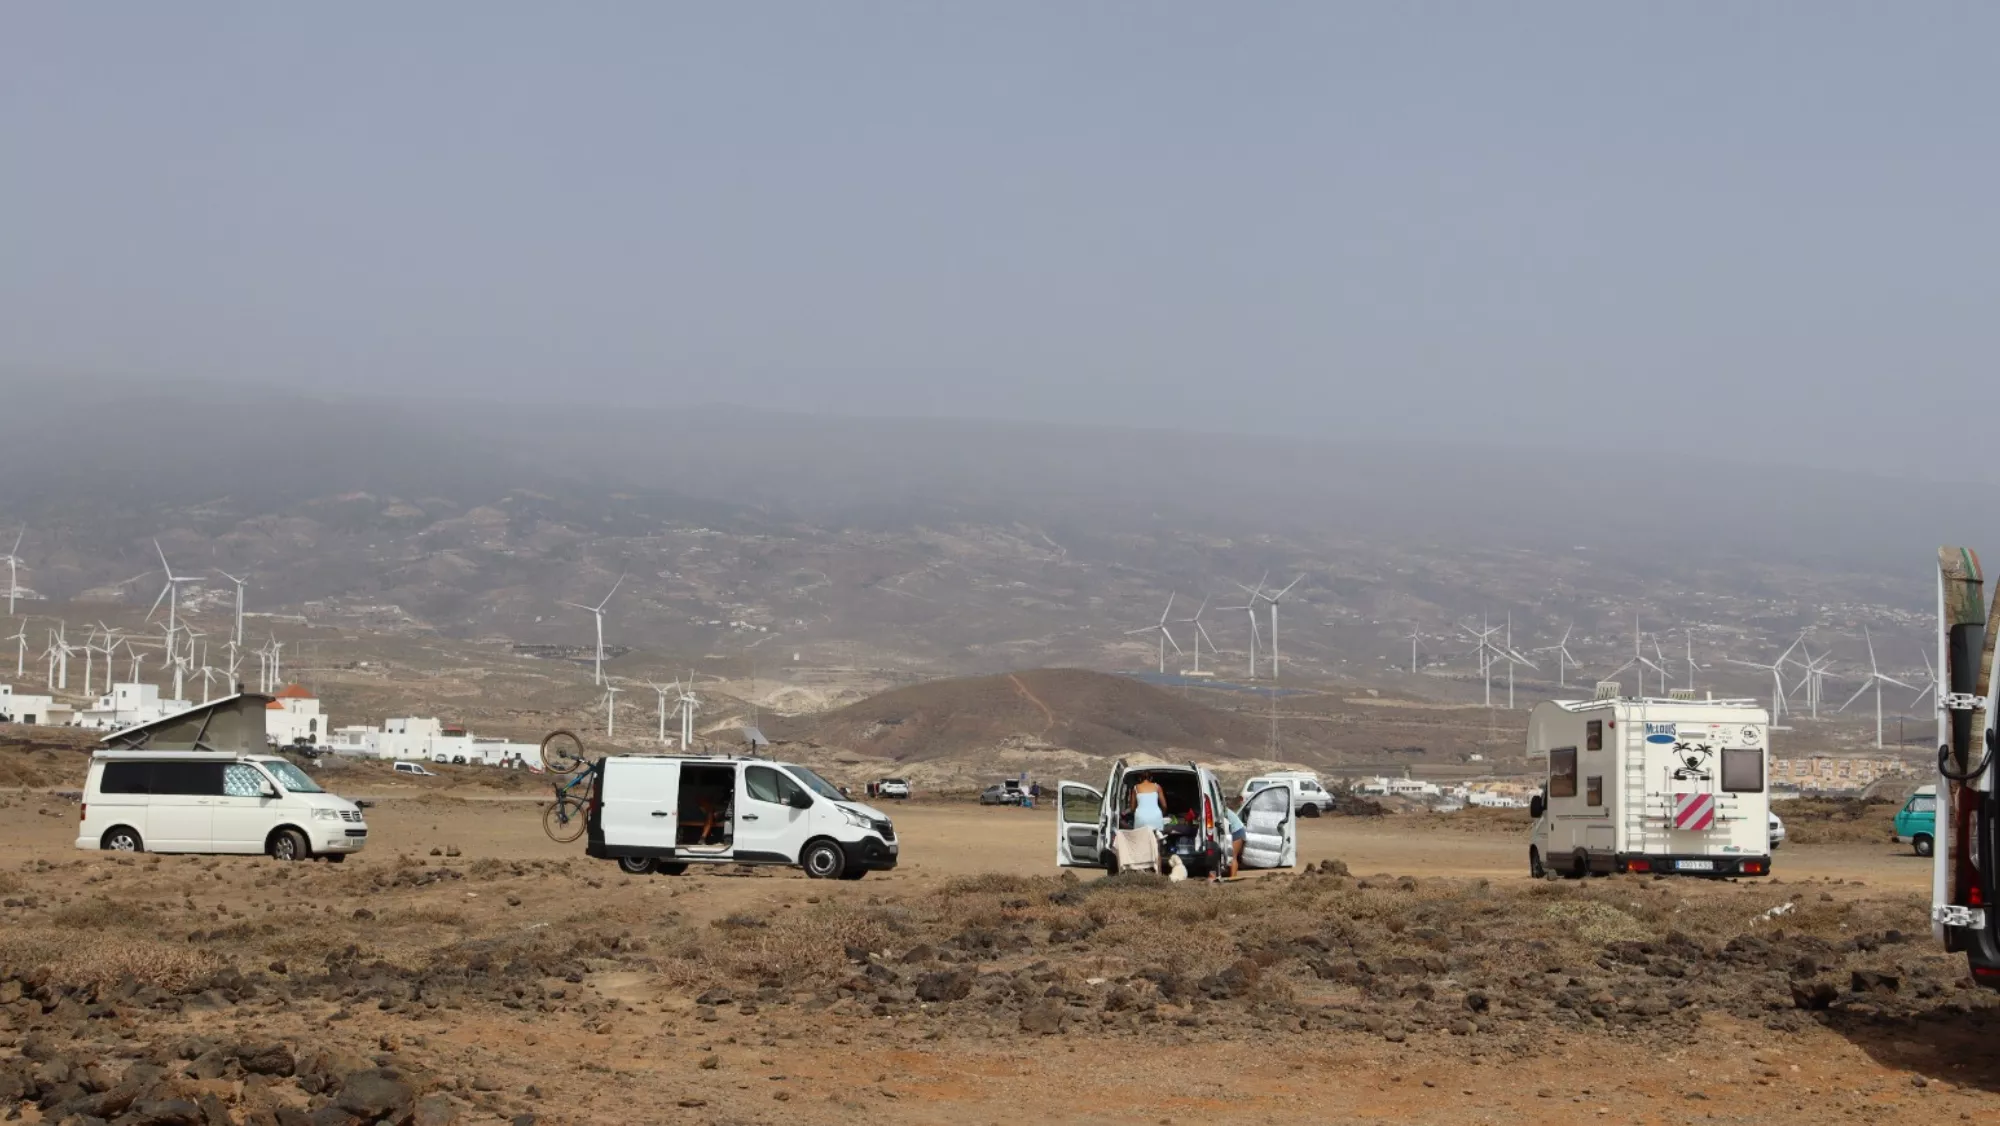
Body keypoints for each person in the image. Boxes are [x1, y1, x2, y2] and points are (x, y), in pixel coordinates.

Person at [1223, 805, 1247, 877]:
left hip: (1237, 831)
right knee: (1231, 857)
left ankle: (1233, 878)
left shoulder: (1220, 810)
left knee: (1233, 857)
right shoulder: (1221, 808)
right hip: (1236, 830)